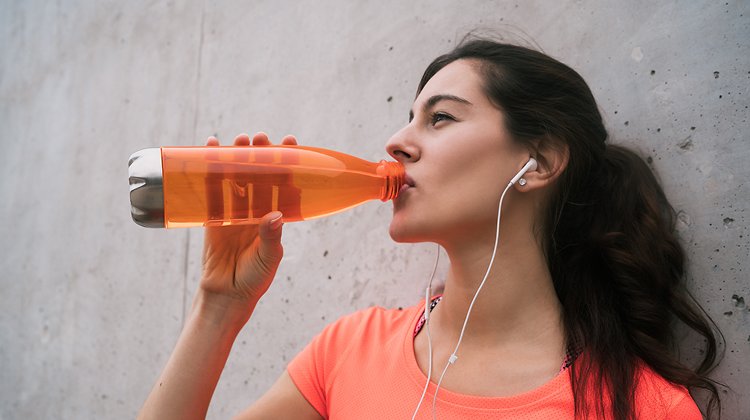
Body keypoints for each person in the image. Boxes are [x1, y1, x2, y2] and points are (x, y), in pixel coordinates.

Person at [137, 36, 723, 419]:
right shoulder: (349, 350)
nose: (396, 142)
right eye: (408, 118)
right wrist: (219, 305)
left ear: (540, 161)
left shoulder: (642, 405)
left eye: (440, 118)